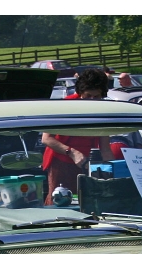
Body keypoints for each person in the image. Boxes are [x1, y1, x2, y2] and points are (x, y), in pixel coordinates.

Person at [40, 68, 113, 204]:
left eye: (96, 96)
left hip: (87, 164)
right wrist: (72, 152)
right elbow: (46, 138)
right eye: (88, 96)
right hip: (60, 161)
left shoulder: (103, 110)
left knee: (87, 202)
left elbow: (105, 149)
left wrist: (112, 171)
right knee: (58, 201)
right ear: (80, 93)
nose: (92, 100)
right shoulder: (64, 106)